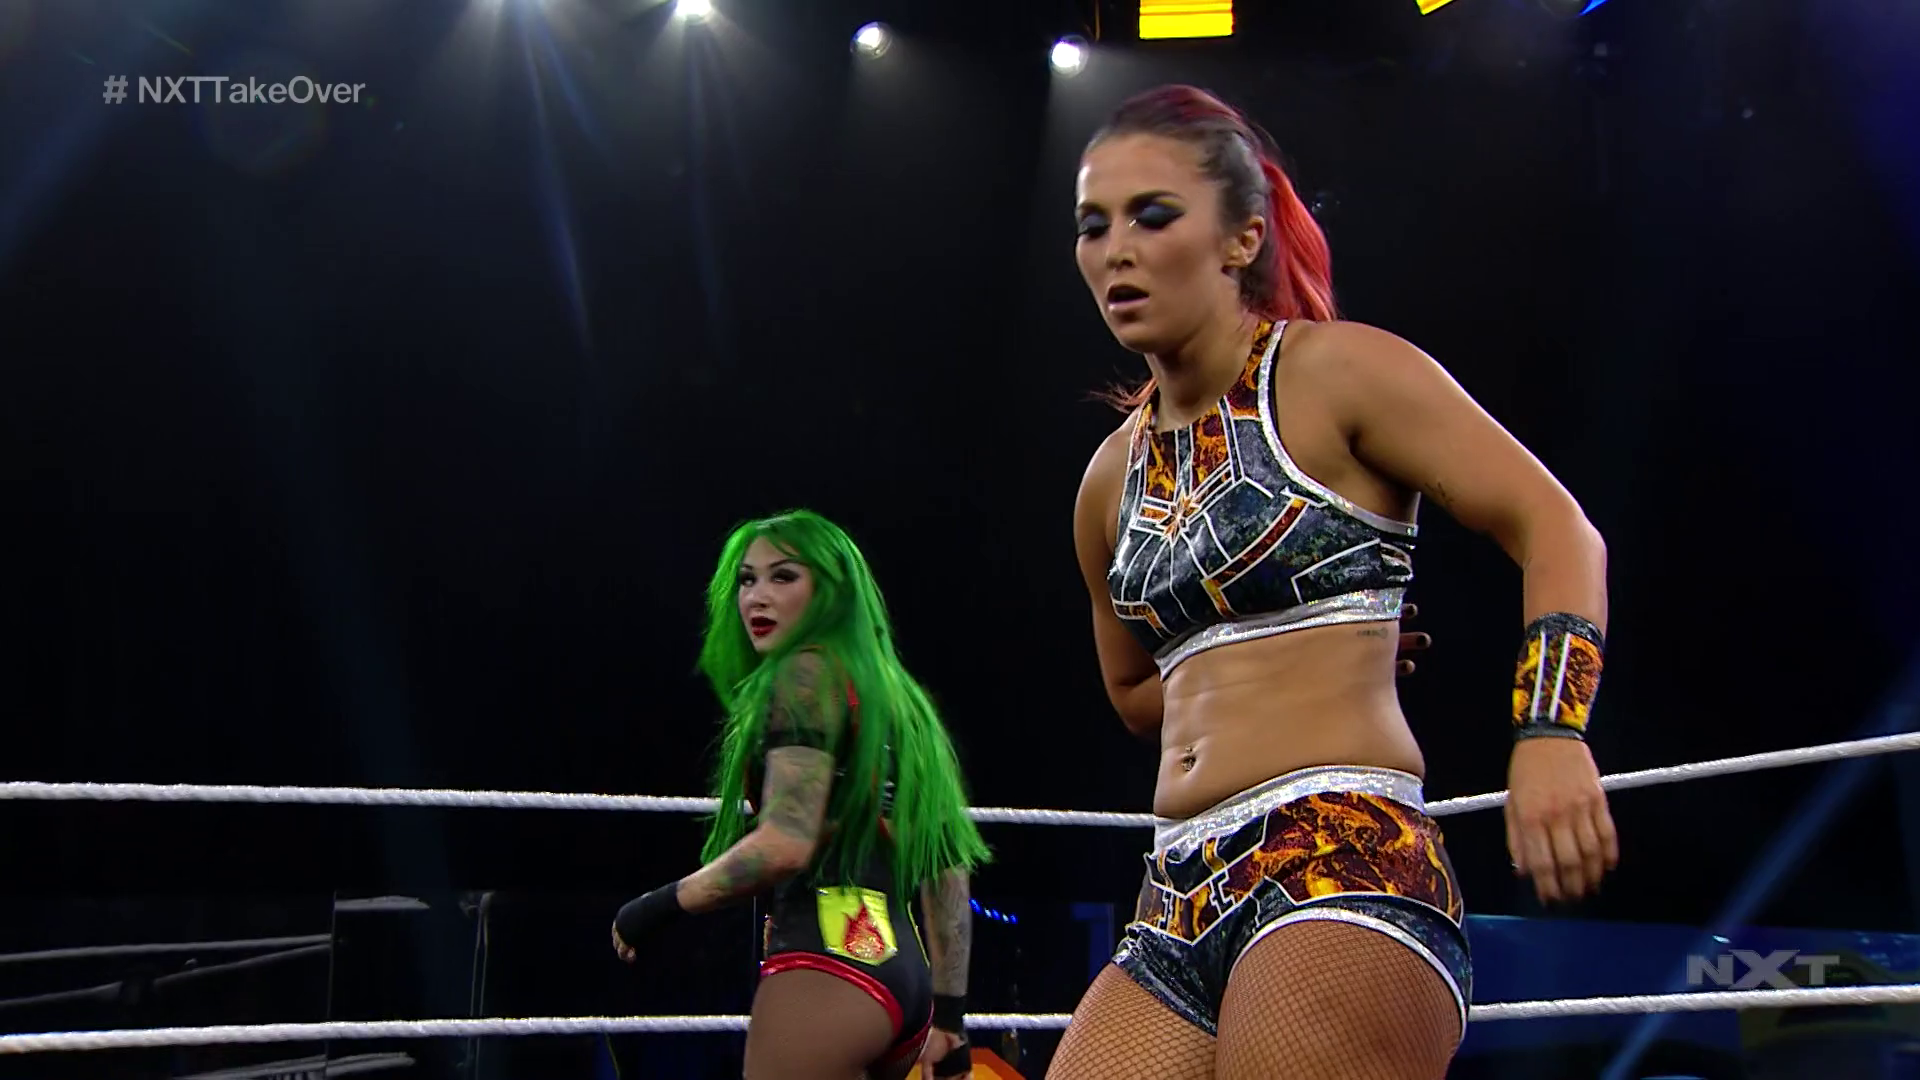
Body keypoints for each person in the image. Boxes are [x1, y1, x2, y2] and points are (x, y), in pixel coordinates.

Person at [1049, 85, 1619, 1079]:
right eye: (1093, 225)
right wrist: (1287, 646)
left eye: (1154, 215)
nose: (1116, 251)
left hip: (1340, 858)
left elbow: (1558, 529)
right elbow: (1135, 690)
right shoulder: (1109, 478)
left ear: (1242, 240)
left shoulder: (1337, 374)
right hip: (1174, 893)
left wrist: (1551, 732)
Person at [610, 510, 990, 1080]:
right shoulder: (901, 702)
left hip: (827, 965)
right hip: (904, 980)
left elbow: (786, 844)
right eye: (747, 579)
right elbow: (948, 868)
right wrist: (950, 1018)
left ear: (831, 591)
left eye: (783, 576)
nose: (757, 597)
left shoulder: (803, 677)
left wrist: (655, 907)